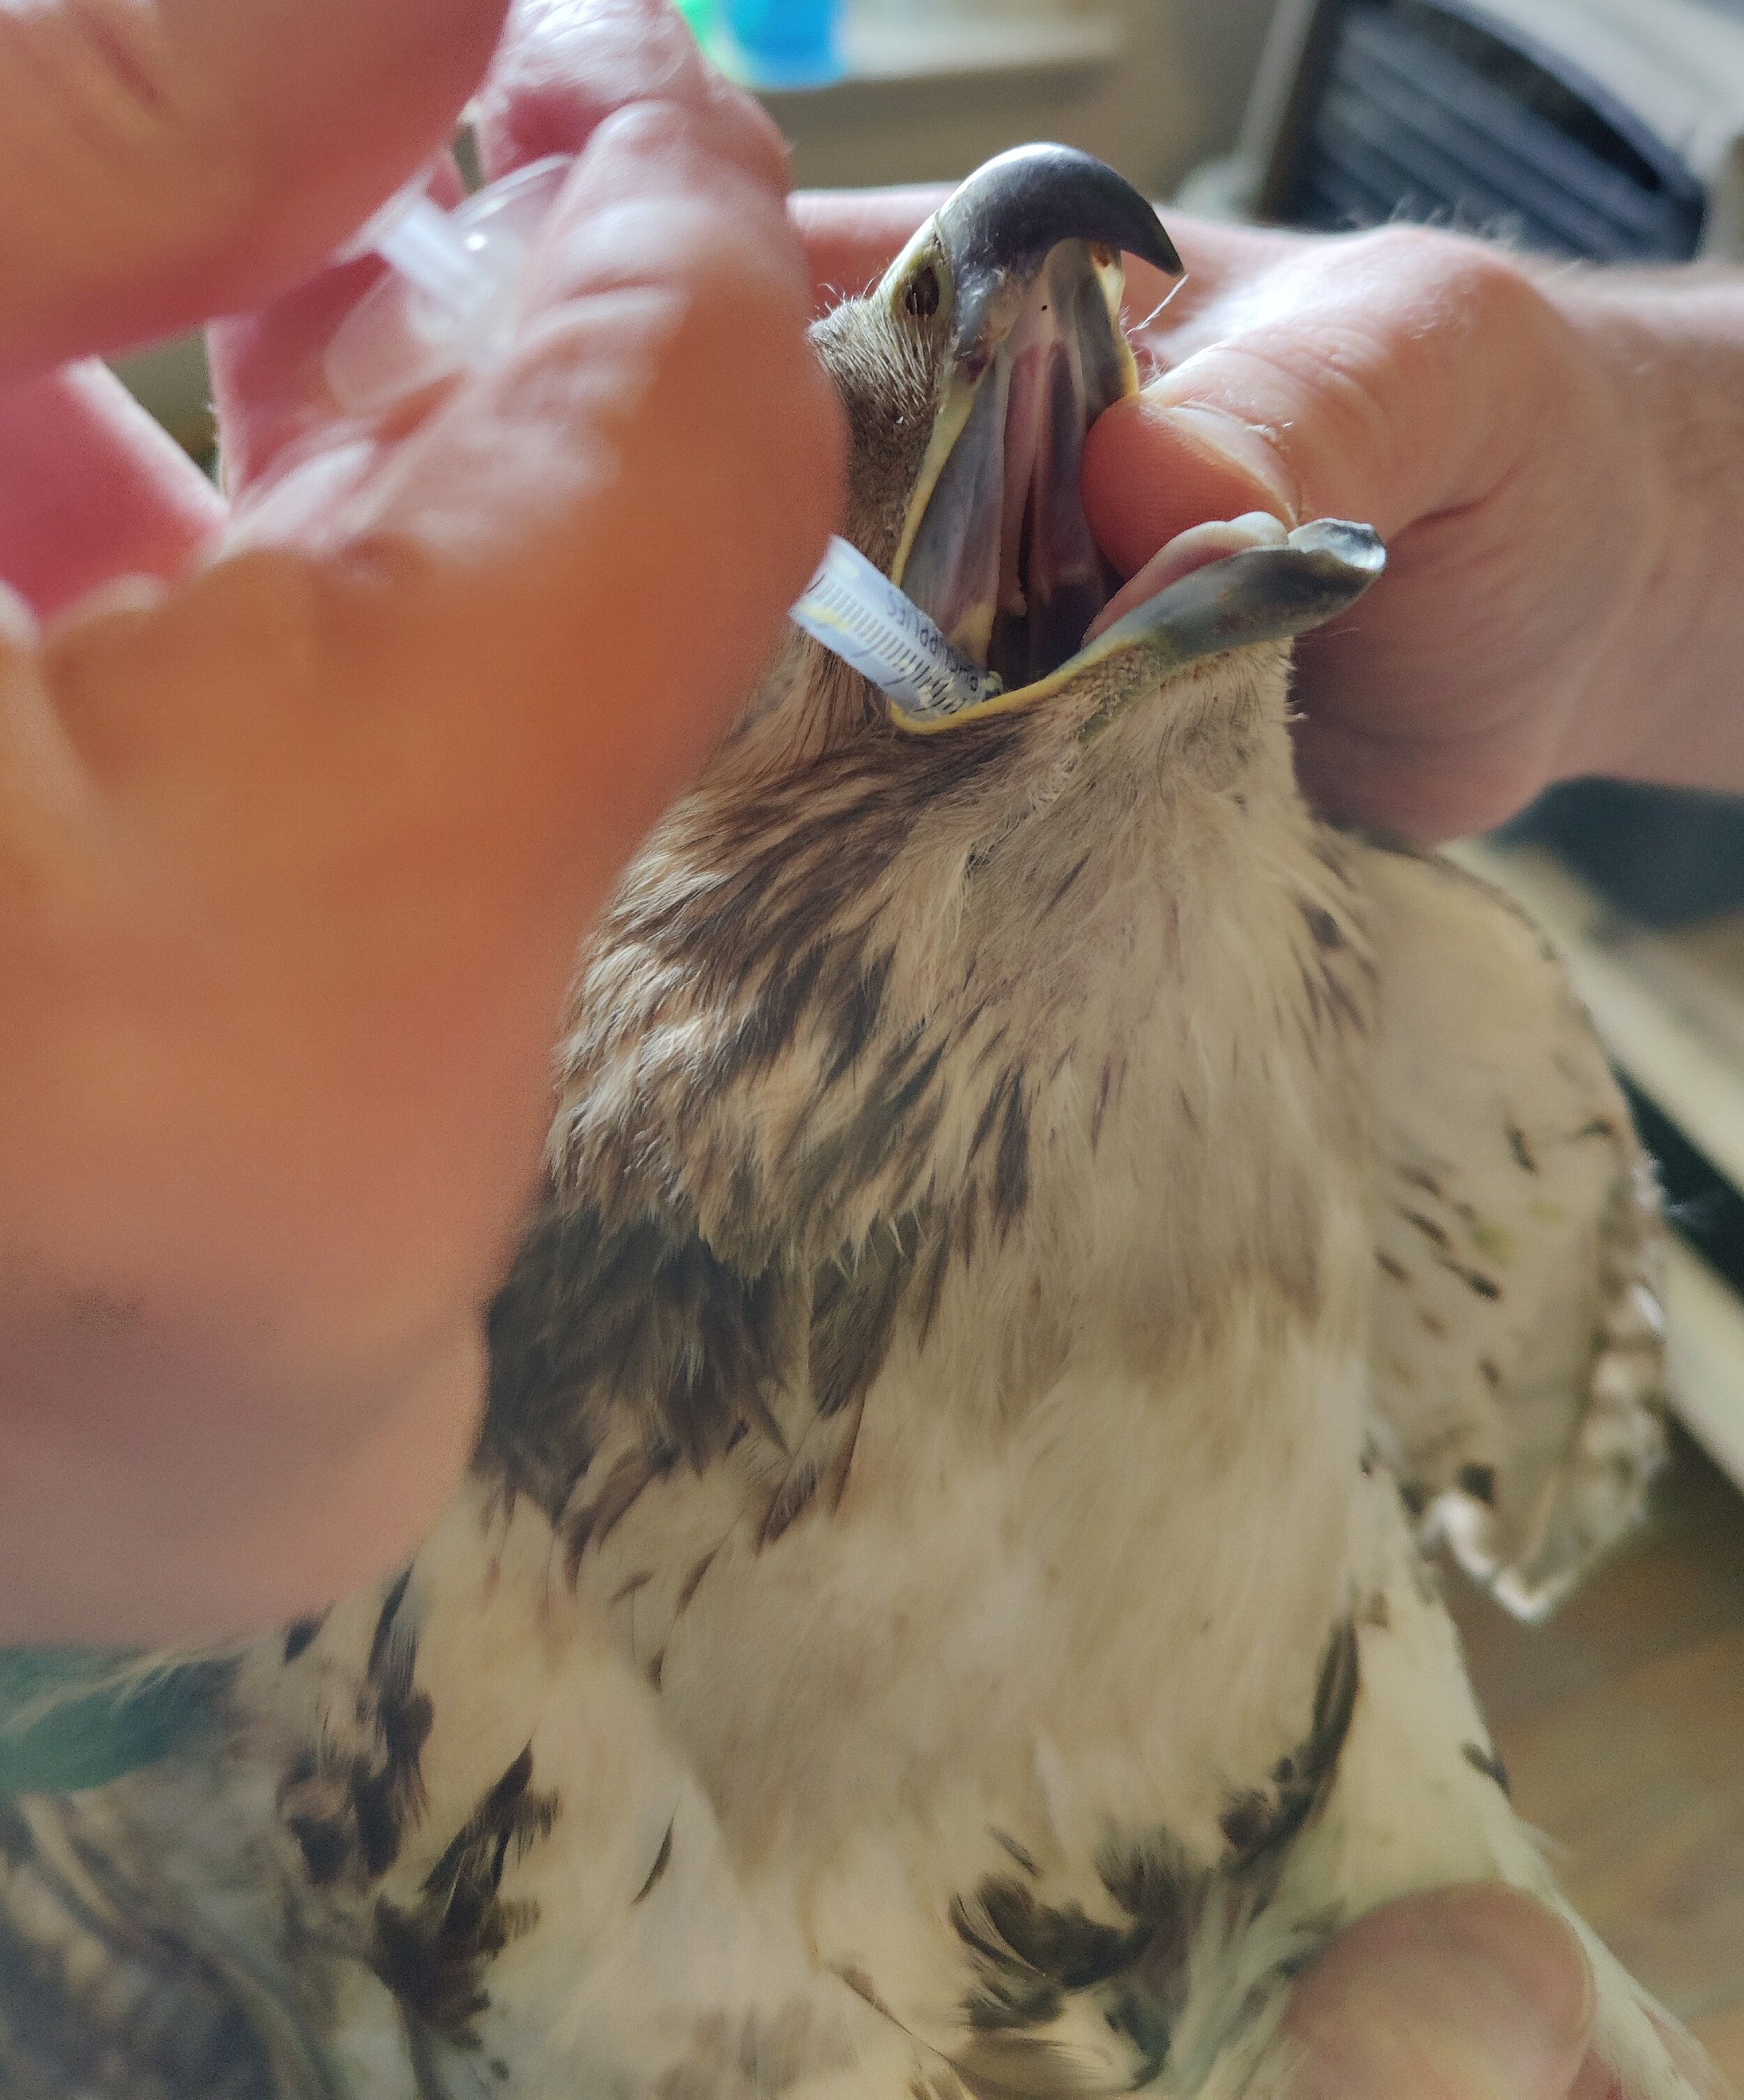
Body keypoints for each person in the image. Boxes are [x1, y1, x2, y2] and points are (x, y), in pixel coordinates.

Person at [0, 1, 1727, 2094]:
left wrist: (1627, 481)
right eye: (759, 638)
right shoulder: (309, 1453)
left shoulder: (1421, 1029)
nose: (1010, 260)